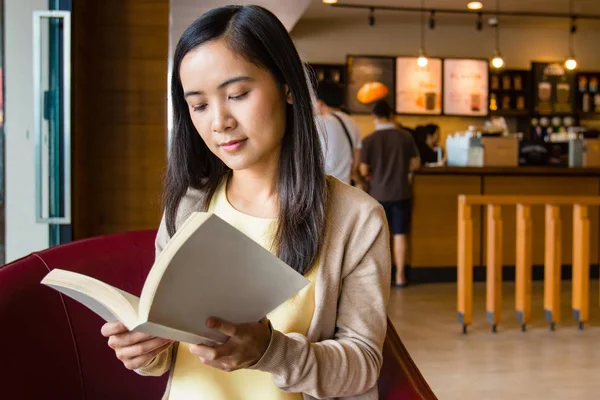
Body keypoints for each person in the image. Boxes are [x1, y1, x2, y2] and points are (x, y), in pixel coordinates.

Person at [100, 5, 390, 400]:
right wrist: (145, 351)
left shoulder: (356, 218)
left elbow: (361, 367)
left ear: (288, 86)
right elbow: (170, 355)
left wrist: (271, 352)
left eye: (237, 94)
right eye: (199, 105)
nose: (219, 121)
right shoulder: (188, 205)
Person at [360, 100, 420, 288]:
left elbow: (363, 170)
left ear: (373, 116)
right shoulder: (405, 137)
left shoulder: (369, 140)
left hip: (378, 195)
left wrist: (372, 175)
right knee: (400, 234)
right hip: (402, 192)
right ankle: (401, 276)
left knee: (380, 238)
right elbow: (415, 163)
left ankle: (380, 280)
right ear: (392, 115)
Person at [315, 80, 365, 189]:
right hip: (345, 189)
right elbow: (356, 162)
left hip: (322, 188)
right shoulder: (353, 123)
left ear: (319, 102)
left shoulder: (317, 123)